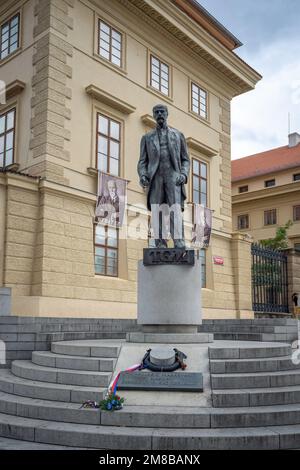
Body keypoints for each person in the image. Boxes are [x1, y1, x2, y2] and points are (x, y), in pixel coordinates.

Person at [137, 104, 190, 248]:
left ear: (167, 114)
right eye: (157, 112)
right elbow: (142, 161)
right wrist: (143, 175)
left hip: (173, 175)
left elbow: (185, 159)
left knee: (175, 209)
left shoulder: (178, 135)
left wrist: (184, 174)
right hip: (156, 177)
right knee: (157, 211)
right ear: (154, 115)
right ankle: (160, 243)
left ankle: (178, 241)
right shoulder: (147, 138)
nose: (159, 114)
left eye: (162, 112)